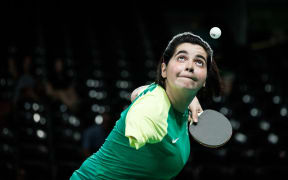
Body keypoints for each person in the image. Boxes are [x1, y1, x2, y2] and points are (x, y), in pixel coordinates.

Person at [70, 32, 222, 180]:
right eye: (181, 58)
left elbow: (138, 92)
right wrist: (140, 124)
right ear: (164, 69)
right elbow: (147, 106)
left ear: (204, 80)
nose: (190, 66)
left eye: (199, 62)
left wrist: (190, 98)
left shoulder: (174, 104)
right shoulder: (154, 103)